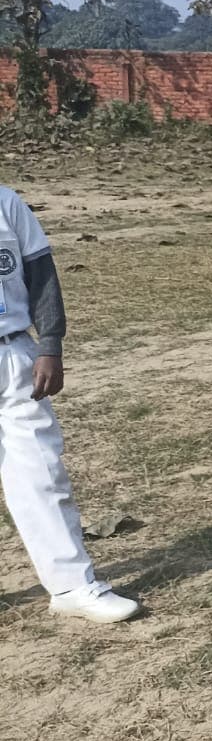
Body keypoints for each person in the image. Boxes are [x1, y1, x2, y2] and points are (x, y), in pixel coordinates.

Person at [0, 186, 139, 623]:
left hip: (14, 354)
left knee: (42, 470)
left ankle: (72, 586)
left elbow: (41, 274)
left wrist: (50, 344)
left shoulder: (6, 203)